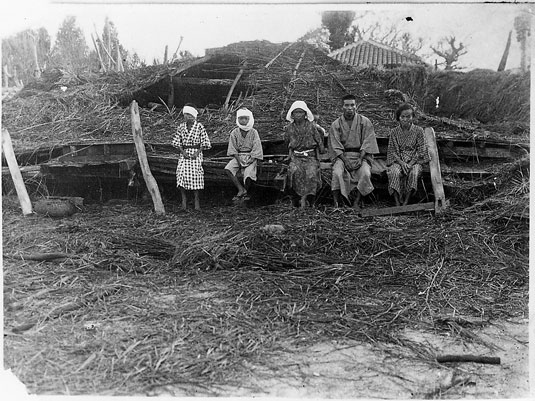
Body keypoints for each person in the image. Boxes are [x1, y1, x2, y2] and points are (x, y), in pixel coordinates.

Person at [329, 94, 379, 210]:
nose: (350, 108)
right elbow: (335, 145)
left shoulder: (365, 122)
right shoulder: (336, 124)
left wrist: (360, 159)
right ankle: (337, 202)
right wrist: (345, 160)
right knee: (337, 172)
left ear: (356, 106)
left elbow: (368, 142)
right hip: (342, 156)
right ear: (342, 107)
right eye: (346, 105)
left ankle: (357, 201)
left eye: (352, 105)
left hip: (361, 156)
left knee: (365, 173)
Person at [283, 100, 326, 208]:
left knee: (311, 173)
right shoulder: (289, 128)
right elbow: (287, 143)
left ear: (305, 114)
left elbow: (318, 140)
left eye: (301, 112)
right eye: (296, 112)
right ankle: (298, 198)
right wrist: (289, 154)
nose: (298, 115)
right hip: (296, 156)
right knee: (294, 171)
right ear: (292, 114)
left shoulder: (311, 126)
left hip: (310, 156)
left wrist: (321, 151)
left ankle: (308, 199)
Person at [386, 103, 430, 206]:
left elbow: (421, 149)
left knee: (414, 173)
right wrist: (401, 163)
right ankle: (397, 202)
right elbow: (392, 150)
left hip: (415, 160)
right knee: (393, 172)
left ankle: (406, 201)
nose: (405, 119)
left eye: (408, 116)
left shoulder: (419, 131)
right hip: (399, 159)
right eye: (403, 117)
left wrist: (410, 164)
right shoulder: (394, 132)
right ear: (398, 117)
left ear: (413, 117)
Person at [171, 104, 211, 211]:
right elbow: (176, 141)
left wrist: (197, 153)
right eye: (185, 115)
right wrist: (182, 151)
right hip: (184, 153)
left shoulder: (199, 127)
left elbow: (205, 142)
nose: (187, 117)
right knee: (181, 173)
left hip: (196, 153)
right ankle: (184, 201)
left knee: (196, 173)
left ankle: (196, 201)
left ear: (194, 116)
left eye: (189, 115)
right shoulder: (181, 127)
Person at [224, 108, 263, 201]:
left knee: (248, 174)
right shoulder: (234, 132)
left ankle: (246, 191)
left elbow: (257, 147)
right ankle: (240, 189)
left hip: (251, 157)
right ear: (238, 119)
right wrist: (239, 161)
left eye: (245, 118)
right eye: (241, 118)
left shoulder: (254, 132)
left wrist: (251, 160)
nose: (243, 121)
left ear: (249, 119)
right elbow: (233, 149)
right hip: (239, 157)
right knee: (228, 169)